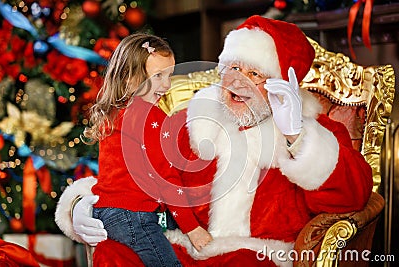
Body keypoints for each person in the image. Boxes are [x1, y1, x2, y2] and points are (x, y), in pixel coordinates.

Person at [55, 16, 373, 266]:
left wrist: (296, 136)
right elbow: (139, 171)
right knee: (115, 254)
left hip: (258, 257)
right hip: (189, 250)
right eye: (231, 68)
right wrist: (83, 205)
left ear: (279, 85)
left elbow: (352, 197)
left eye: (254, 73)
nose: (236, 81)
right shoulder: (195, 121)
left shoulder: (313, 130)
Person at [60, 33, 212, 267]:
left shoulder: (114, 112)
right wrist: (192, 229)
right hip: (133, 216)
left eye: (169, 75)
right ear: (130, 79)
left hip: (107, 212)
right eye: (158, 76)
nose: (167, 85)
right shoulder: (150, 116)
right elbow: (166, 177)